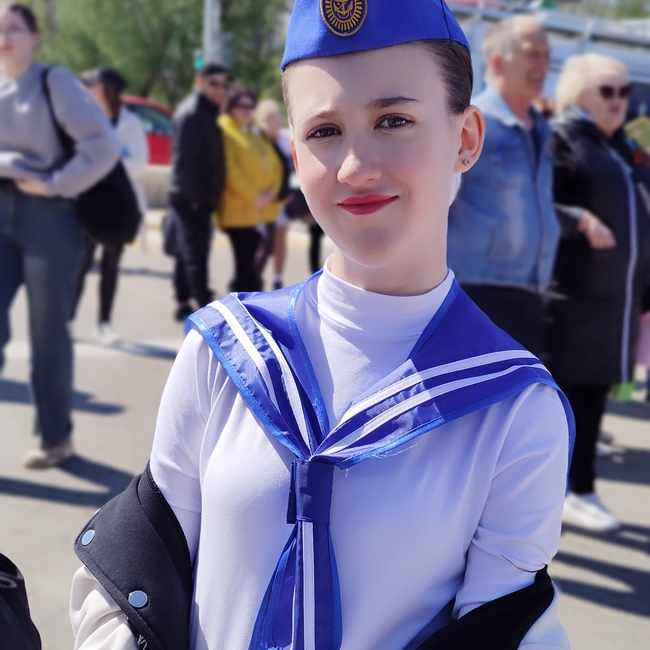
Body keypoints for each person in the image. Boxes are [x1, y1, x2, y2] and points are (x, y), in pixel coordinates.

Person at [70, 1, 574, 648]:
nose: (356, 167)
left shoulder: (515, 409)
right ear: (294, 150)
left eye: (394, 120)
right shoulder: (223, 351)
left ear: (467, 139)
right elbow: (139, 574)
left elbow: (507, 632)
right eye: (324, 131)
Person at [0, 3, 120, 468]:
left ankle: (55, 439)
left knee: (47, 332)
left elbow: (102, 146)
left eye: (14, 28)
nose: (5, 36)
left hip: (47, 216)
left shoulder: (55, 82)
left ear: (34, 37)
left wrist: (54, 184)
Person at [547, 53, 650, 532]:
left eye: (625, 92)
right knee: (569, 402)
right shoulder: (563, 139)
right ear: (578, 94)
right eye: (607, 91)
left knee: (595, 399)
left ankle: (581, 486)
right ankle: (567, 490)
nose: (619, 100)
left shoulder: (623, 149)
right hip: (575, 299)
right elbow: (541, 205)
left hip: (619, 301)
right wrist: (580, 220)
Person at [447, 16, 557, 357]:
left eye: (546, 55)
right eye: (532, 53)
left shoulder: (543, 130)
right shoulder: (473, 126)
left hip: (530, 296)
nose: (543, 64)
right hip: (476, 294)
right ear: (497, 61)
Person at [74, 67, 149, 344]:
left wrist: (103, 165)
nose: (86, 88)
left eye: (92, 84)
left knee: (111, 266)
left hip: (118, 206)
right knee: (80, 263)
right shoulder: (83, 119)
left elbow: (139, 162)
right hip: (87, 203)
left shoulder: (130, 123)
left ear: (108, 89)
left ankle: (104, 323)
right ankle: (67, 319)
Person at [168, 62, 227, 322]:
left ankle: (182, 300)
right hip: (191, 197)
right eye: (214, 83)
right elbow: (184, 160)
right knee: (196, 254)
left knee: (186, 252)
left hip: (198, 195)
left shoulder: (206, 111)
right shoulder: (192, 112)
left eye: (223, 84)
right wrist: (194, 197)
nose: (219, 89)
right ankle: (205, 308)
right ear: (199, 82)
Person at [216, 87, 282, 292]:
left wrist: (272, 192)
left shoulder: (254, 131)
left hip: (259, 209)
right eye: (241, 105)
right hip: (238, 209)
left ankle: (242, 301)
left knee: (251, 268)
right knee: (246, 269)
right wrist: (254, 196)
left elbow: (275, 164)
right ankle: (240, 305)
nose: (247, 110)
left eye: (251, 106)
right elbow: (230, 169)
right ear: (231, 107)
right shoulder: (225, 130)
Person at [254, 98, 292, 290]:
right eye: (270, 119)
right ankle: (252, 280)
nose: (275, 123)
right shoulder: (256, 142)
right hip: (261, 200)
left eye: (277, 119)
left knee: (279, 238)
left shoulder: (285, 140)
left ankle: (277, 278)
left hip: (281, 199)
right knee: (261, 242)